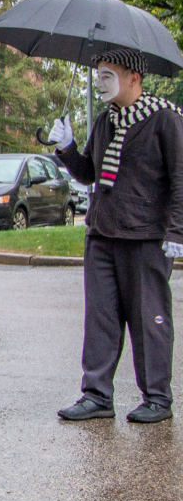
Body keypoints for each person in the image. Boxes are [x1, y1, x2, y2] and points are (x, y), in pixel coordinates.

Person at [49, 48, 183, 424]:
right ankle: (96, 395)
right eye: (98, 76)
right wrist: (67, 148)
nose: (99, 82)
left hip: (146, 238)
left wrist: (178, 230)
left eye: (107, 75)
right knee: (101, 318)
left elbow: (181, 177)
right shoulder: (106, 121)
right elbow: (88, 174)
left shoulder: (165, 119)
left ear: (134, 78)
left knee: (149, 318)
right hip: (103, 233)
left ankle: (157, 397)